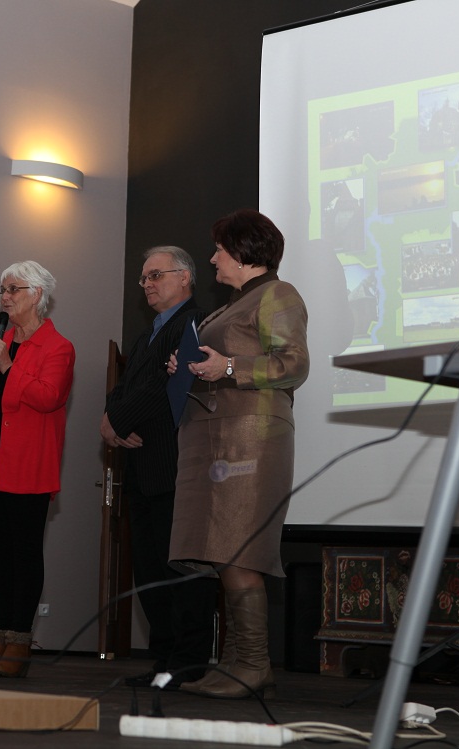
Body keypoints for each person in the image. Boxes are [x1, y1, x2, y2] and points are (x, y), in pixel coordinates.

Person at [167, 208, 309, 699]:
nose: (212, 259)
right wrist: (189, 366)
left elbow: (294, 364)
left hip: (251, 435)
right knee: (223, 551)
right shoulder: (227, 307)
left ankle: (252, 663)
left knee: (239, 548)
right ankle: (233, 664)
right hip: (214, 434)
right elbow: (219, 362)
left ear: (245, 253)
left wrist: (228, 367)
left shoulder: (277, 294)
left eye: (220, 250)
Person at [100, 246, 218, 688]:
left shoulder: (196, 323)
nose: (147, 284)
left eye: (156, 275)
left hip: (176, 469)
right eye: (144, 278)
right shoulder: (147, 334)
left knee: (182, 573)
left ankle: (188, 663)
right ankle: (164, 660)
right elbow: (122, 389)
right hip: (143, 471)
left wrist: (114, 422)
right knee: (149, 571)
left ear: (185, 277)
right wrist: (112, 420)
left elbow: (161, 388)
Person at [0, 260, 75, 678]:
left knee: (23, 555)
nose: (5, 297)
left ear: (37, 294)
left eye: (13, 289)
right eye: (2, 290)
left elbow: (48, 397)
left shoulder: (58, 347)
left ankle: (20, 642)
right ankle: (0, 637)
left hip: (27, 469)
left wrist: (8, 366)